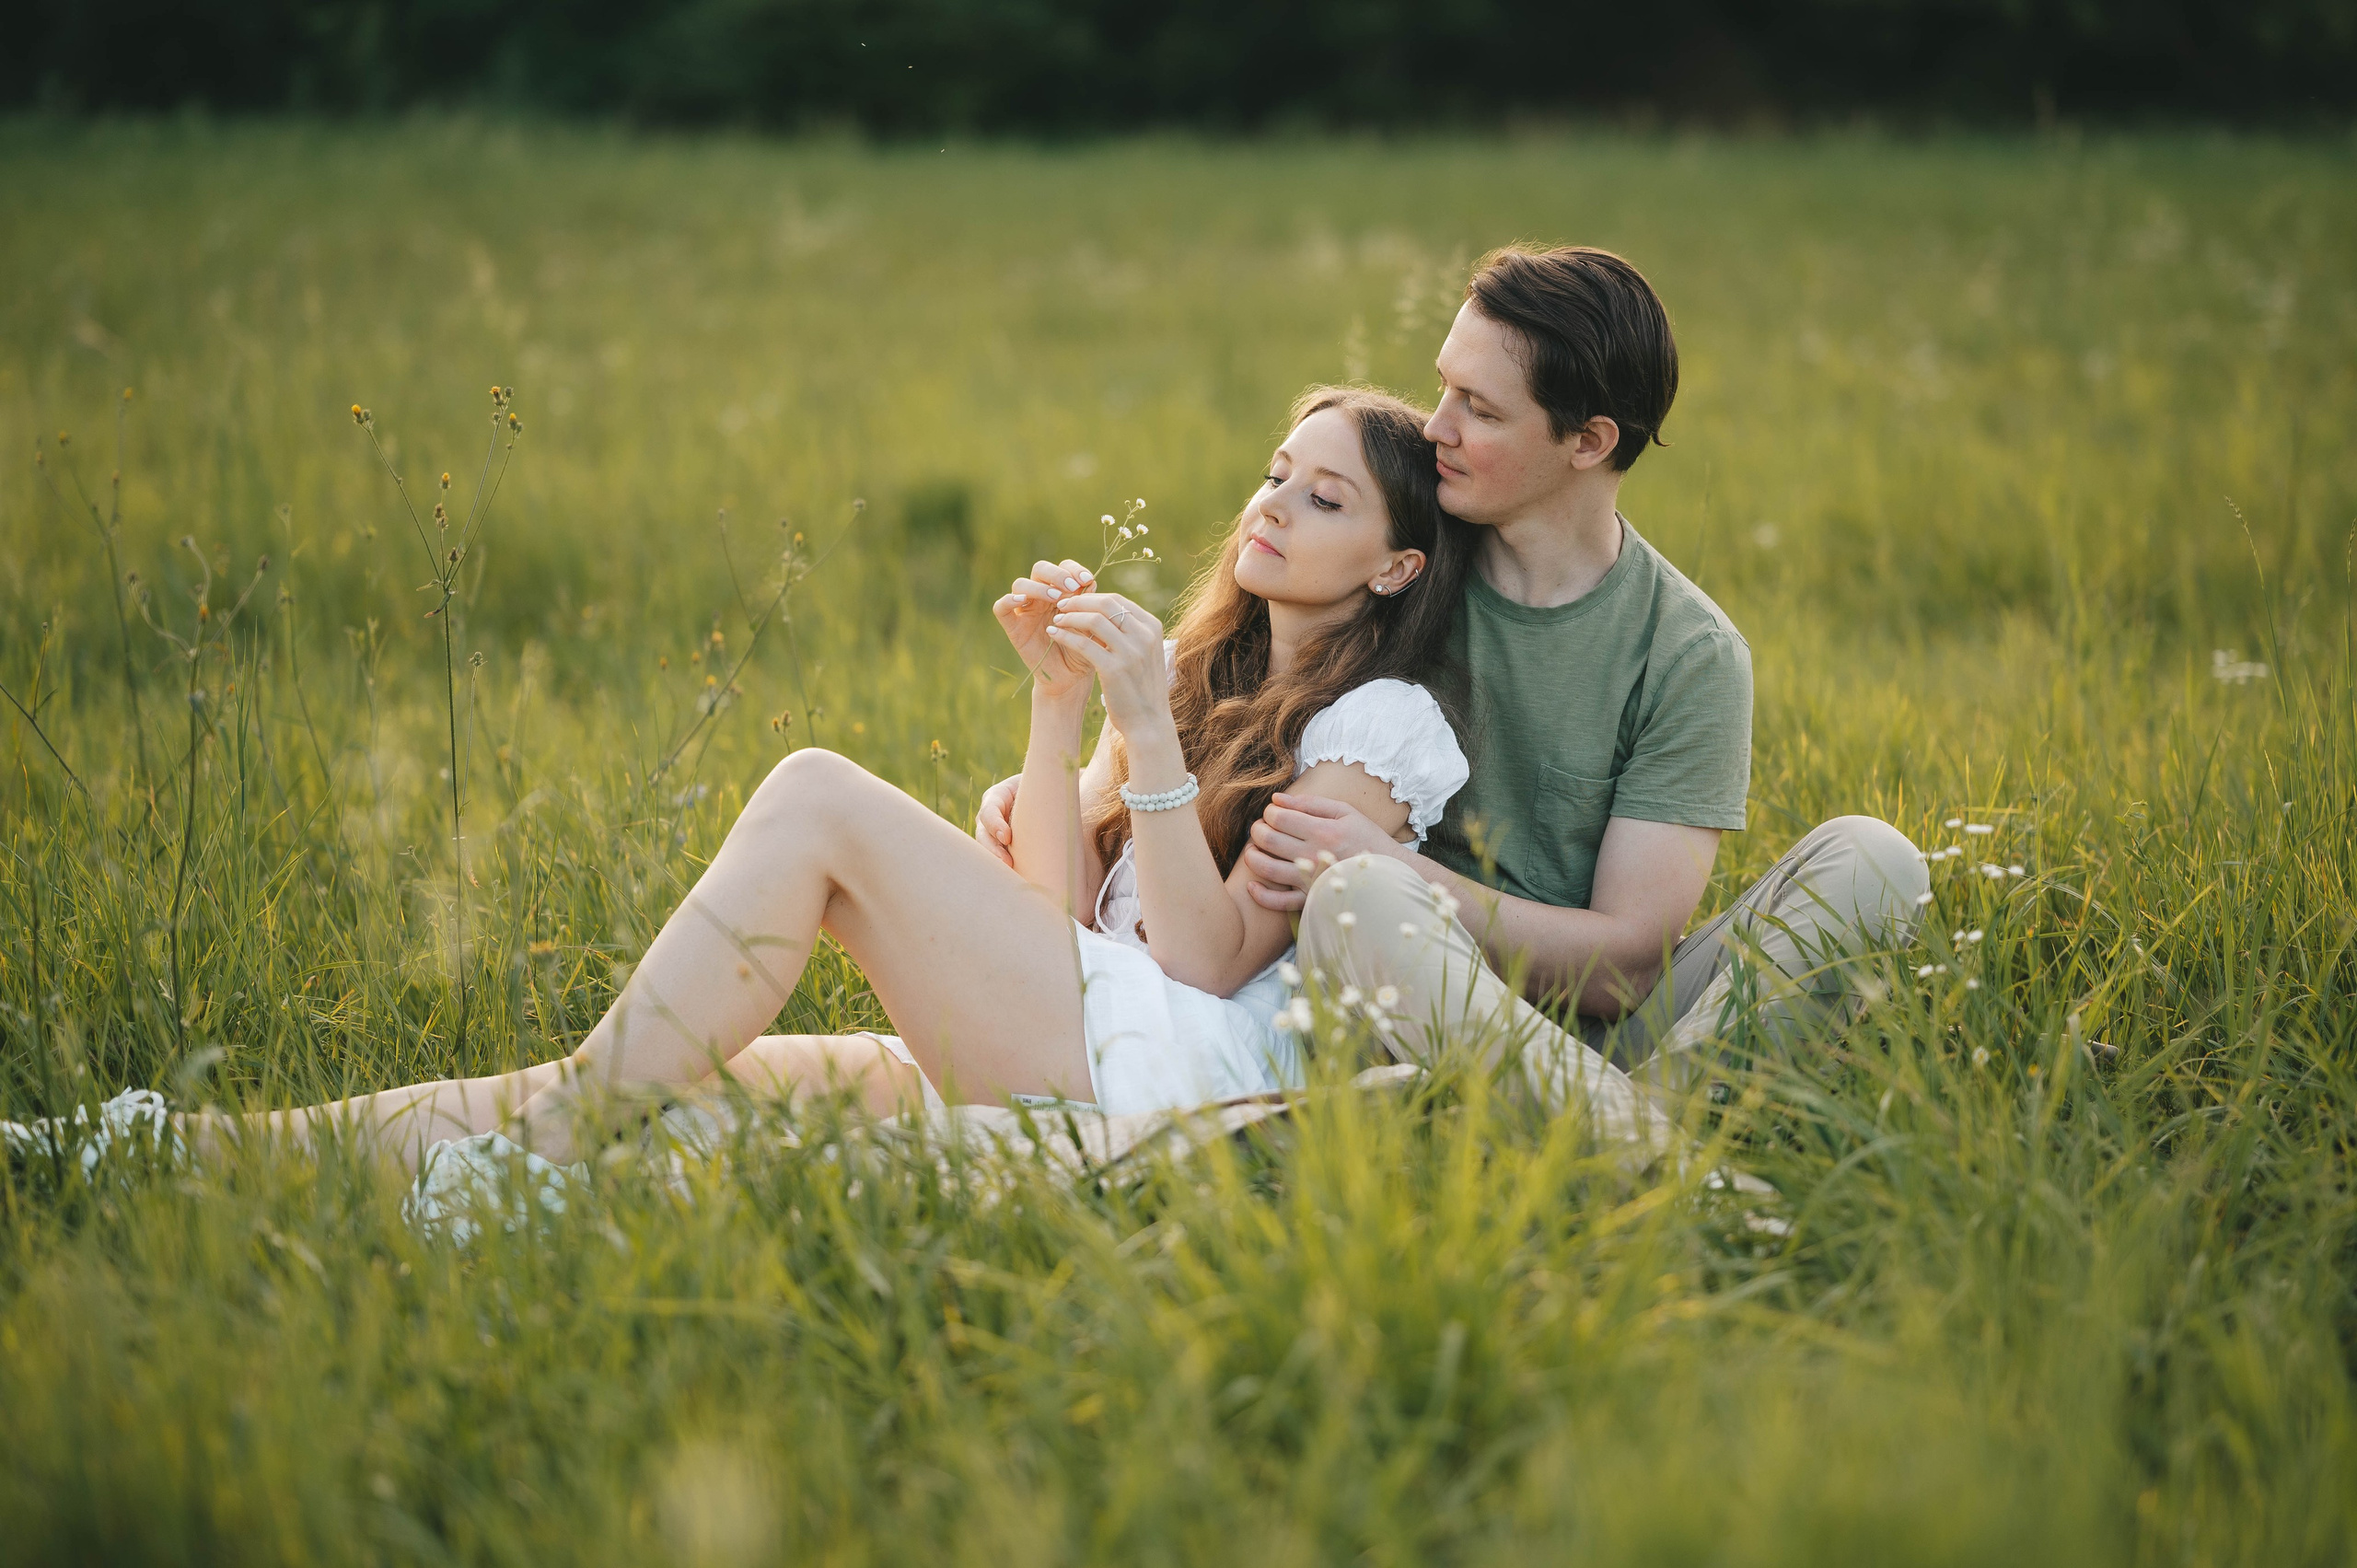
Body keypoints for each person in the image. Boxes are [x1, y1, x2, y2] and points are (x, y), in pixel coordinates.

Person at [15, 387, 1525, 1179]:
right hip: (1087, 1022)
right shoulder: (1202, 673)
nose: (1271, 503)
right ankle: (162, 1146)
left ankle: (535, 1174)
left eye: (1322, 497)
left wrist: (1142, 716)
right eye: (1272, 471)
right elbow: (1058, 919)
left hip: (1180, 1085)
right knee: (658, 1086)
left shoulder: (1380, 723)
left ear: (1396, 561)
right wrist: (1064, 719)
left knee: (812, 790)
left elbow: (1198, 965)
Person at [981, 247, 1930, 1123]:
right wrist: (1060, 799)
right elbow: (1213, 697)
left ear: (1589, 440)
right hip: (1384, 1015)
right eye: (1444, 388)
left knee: (1874, 857)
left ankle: (1620, 1132)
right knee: (1362, 904)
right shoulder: (1385, 564)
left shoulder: (1685, 651)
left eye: (1479, 407)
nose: (1436, 427)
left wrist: (1412, 877)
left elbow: (1627, 967)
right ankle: (1659, 1157)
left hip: (1600, 1037)